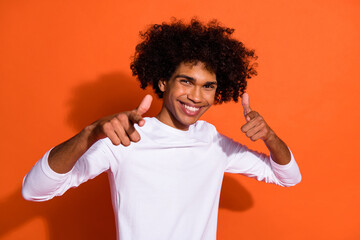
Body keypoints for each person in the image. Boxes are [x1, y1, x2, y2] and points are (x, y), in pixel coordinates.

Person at [22, 18, 301, 240]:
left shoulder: (212, 142)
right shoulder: (124, 138)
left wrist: (270, 137)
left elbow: (287, 177)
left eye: (208, 86)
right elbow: (34, 190)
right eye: (186, 81)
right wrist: (90, 133)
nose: (196, 96)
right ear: (163, 82)